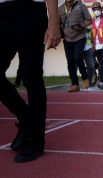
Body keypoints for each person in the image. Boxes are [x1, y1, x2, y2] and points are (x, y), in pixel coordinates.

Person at [0, 0, 60, 162]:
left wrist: (54, 22)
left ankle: (35, 141)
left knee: (31, 76)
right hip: (3, 10)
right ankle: (26, 119)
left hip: (31, 9)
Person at [59, 0, 92, 92]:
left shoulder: (81, 6)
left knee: (77, 57)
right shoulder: (60, 9)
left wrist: (81, 26)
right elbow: (58, 24)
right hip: (67, 38)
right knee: (70, 62)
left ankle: (85, 78)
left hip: (80, 37)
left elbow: (89, 21)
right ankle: (74, 84)